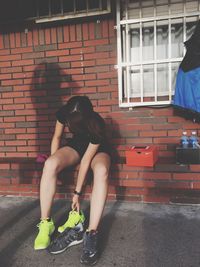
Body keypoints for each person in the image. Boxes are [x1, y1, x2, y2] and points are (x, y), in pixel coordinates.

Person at [34, 95, 111, 265]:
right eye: (69, 121)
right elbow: (57, 137)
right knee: (50, 163)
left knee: (101, 171)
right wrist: (56, 167)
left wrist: (77, 193)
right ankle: (46, 223)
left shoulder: (96, 124)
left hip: (97, 150)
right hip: (76, 145)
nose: (70, 124)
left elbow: (85, 161)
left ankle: (91, 233)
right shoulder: (64, 113)